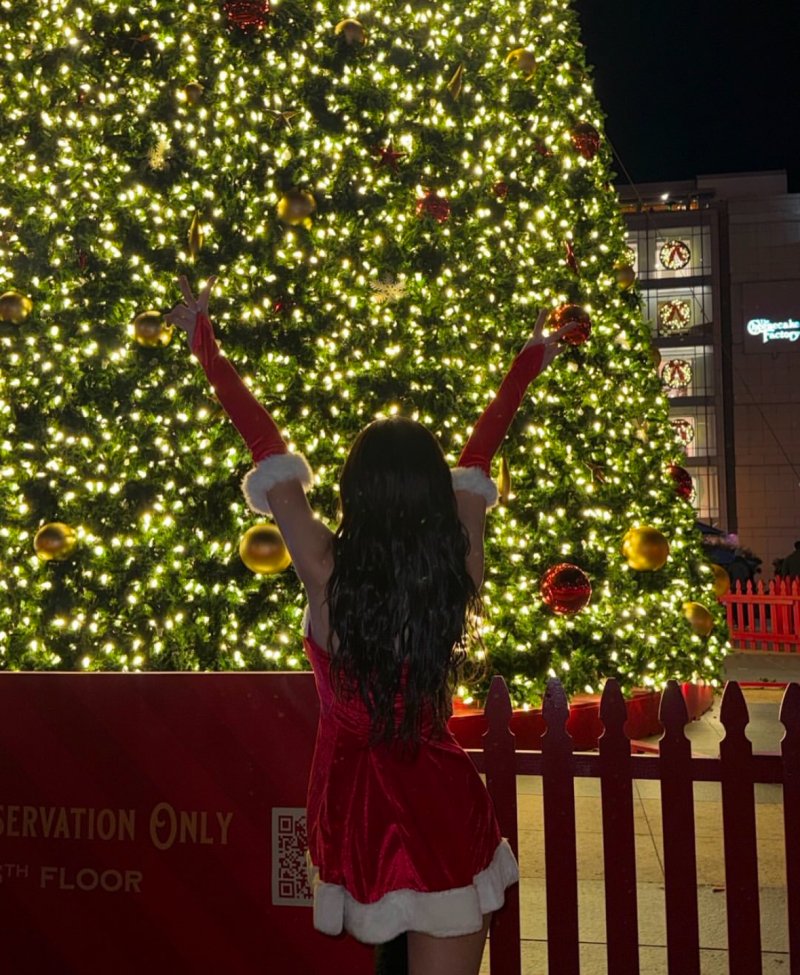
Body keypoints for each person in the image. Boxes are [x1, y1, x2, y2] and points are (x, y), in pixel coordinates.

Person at [165, 276, 570, 975]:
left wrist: (206, 342)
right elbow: (479, 456)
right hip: (442, 803)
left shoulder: (326, 568)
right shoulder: (458, 566)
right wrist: (526, 361)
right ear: (432, 494)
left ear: (354, 489)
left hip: (359, 810)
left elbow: (267, 447)